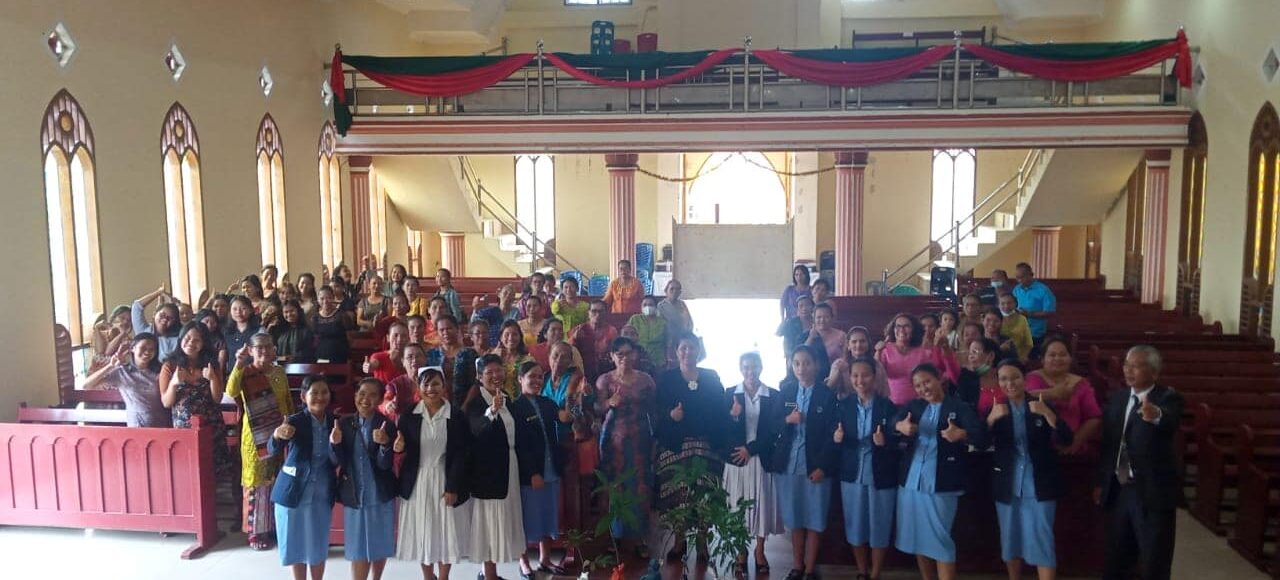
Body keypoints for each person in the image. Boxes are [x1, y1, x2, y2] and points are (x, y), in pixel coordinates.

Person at [1096, 346, 1183, 580]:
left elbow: (1169, 420)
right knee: (1116, 557)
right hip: (1120, 489)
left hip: (1152, 493)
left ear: (1154, 372)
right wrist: (1101, 482)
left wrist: (1155, 415)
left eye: (1136, 366)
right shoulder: (1118, 398)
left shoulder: (1168, 398)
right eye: (1127, 364)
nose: (1128, 370)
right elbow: (1109, 444)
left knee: (1154, 560)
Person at [894, 363, 986, 580]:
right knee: (918, 538)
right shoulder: (914, 406)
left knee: (940, 540)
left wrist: (962, 434)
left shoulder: (959, 407)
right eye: (918, 385)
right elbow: (892, 422)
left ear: (939, 379)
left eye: (927, 381)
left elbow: (982, 437)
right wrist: (899, 427)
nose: (923, 388)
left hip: (942, 483)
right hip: (911, 483)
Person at [989, 359, 1072, 580]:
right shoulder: (997, 408)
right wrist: (990, 419)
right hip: (1007, 484)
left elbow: (1067, 439)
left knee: (1043, 540)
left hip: (1040, 484)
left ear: (1025, 379)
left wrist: (1048, 415)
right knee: (1010, 539)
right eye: (1004, 379)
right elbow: (979, 441)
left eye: (1015, 377)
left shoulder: (1041, 404)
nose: (1010, 383)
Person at [654, 333, 730, 562]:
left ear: (699, 350)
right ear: (676, 352)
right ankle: (679, 541)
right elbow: (656, 410)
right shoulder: (666, 378)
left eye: (692, 348)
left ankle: (702, 542)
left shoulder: (711, 376)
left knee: (705, 494)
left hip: (707, 444)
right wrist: (671, 415)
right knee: (679, 494)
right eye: (683, 348)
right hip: (676, 445)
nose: (688, 352)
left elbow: (721, 407)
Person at [394, 367, 473, 580]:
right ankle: (428, 576)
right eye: (426, 384)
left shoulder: (456, 415)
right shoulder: (409, 415)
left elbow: (461, 454)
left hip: (444, 479)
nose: (431, 388)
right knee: (423, 532)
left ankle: (444, 576)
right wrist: (399, 447)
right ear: (418, 388)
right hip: (417, 482)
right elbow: (401, 446)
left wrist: (453, 487)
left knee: (445, 531)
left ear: (444, 386)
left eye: (436, 383)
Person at [768, 345, 839, 580]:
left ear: (816, 365)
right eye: (797, 363)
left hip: (815, 467)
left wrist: (823, 467)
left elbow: (833, 436)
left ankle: (809, 570)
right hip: (788, 467)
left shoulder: (827, 395)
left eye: (806, 363)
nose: (801, 368)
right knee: (795, 519)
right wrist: (788, 419)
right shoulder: (786, 391)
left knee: (815, 520)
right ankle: (797, 566)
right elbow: (773, 424)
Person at [226, 334, 295, 550]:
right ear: (251, 351)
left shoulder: (279, 372)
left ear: (274, 349)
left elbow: (287, 400)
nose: (264, 351)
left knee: (276, 479)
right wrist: (238, 364)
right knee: (256, 482)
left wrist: (291, 424)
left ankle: (273, 526)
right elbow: (231, 391)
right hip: (255, 436)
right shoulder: (245, 372)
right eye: (259, 348)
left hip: (279, 432)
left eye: (268, 347)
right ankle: (256, 532)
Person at [834, 357, 899, 580]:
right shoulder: (843, 405)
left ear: (874, 376)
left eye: (865, 375)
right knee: (855, 525)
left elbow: (899, 442)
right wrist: (837, 438)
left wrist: (885, 442)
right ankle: (862, 571)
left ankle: (875, 573)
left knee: (880, 526)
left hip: (880, 475)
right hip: (851, 474)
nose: (860, 380)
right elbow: (834, 438)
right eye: (855, 375)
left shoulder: (888, 406)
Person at [593, 336, 657, 559]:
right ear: (612, 356)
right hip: (613, 441)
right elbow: (596, 408)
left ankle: (639, 538)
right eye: (619, 354)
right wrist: (608, 403)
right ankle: (615, 538)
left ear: (635, 354)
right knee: (615, 486)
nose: (624, 358)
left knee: (640, 486)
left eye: (628, 353)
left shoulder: (646, 380)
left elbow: (654, 411)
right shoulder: (604, 380)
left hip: (640, 440)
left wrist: (656, 440)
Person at [466, 354, 528, 580]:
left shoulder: (507, 398)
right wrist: (491, 411)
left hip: (509, 466)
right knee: (489, 523)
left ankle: (490, 572)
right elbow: (476, 431)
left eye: (498, 370)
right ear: (479, 376)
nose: (495, 376)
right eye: (489, 372)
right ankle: (488, 573)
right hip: (488, 472)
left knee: (504, 518)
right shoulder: (476, 402)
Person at [270, 375, 338, 580]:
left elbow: (339, 457)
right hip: (293, 491)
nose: (320, 397)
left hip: (321, 493)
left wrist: (337, 444)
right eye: (314, 393)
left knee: (318, 543)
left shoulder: (336, 422)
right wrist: (277, 435)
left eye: (324, 392)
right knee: (295, 544)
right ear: (303, 397)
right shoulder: (294, 421)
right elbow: (272, 449)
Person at [723, 352, 783, 576]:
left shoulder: (773, 395)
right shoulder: (730, 393)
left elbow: (774, 430)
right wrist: (734, 416)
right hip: (737, 460)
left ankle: (759, 551)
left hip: (761, 458)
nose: (750, 371)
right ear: (740, 368)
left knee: (761, 505)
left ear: (761, 367)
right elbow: (722, 430)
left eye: (754, 366)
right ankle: (741, 551)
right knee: (738, 506)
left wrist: (752, 449)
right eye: (746, 367)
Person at [333, 378, 398, 580]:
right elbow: (338, 461)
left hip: (379, 493)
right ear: (355, 396)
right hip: (354, 493)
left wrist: (385, 444)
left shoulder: (386, 424)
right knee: (357, 546)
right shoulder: (344, 424)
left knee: (380, 543)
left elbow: (385, 465)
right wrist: (334, 444)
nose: (365, 399)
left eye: (372, 395)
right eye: (361, 394)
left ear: (380, 399)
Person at [511, 362, 570, 578]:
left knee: (548, 516)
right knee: (526, 519)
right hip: (530, 474)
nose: (536, 381)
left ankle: (545, 560)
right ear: (520, 379)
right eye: (531, 377)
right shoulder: (515, 407)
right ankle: (524, 562)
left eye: (539, 377)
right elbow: (519, 444)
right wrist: (532, 473)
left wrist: (577, 399)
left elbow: (565, 418)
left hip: (551, 470)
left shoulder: (547, 403)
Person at [160, 322, 232, 475]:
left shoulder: (211, 365)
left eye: (196, 340)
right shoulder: (170, 366)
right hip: (184, 427)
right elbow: (166, 402)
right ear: (181, 339)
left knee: (213, 472)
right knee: (188, 472)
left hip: (211, 425)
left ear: (204, 343)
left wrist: (213, 379)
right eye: (187, 338)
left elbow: (217, 398)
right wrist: (173, 383)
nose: (191, 343)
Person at [542, 341, 594, 533]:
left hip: (568, 439)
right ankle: (554, 531)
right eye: (556, 355)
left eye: (565, 356)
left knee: (571, 487)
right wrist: (557, 413)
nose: (559, 360)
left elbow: (572, 413)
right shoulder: (543, 378)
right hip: (546, 440)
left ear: (571, 360)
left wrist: (560, 411)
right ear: (549, 356)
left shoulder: (575, 377)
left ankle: (574, 534)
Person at [1026, 337, 1103, 455]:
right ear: (1043, 359)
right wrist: (1052, 393)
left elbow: (1093, 417)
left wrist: (1075, 442)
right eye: (1052, 355)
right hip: (1037, 449)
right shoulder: (1032, 378)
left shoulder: (1081, 383)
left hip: (1072, 449)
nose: (1057, 358)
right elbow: (1020, 400)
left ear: (1070, 359)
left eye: (1063, 354)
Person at [81, 332, 170, 427]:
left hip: (161, 426)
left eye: (151, 349)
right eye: (143, 348)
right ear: (133, 348)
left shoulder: (161, 372)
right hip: (136, 428)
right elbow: (86, 386)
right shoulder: (122, 372)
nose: (147, 352)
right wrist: (110, 366)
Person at [878, 313, 956, 406]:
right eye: (898, 326)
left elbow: (937, 375)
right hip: (891, 404)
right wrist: (878, 352)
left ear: (914, 329)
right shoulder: (885, 350)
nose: (901, 330)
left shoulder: (923, 352)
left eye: (906, 326)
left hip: (919, 405)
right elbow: (876, 375)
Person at [425, 315, 479, 406]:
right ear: (437, 332)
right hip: (438, 405)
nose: (445, 332)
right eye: (441, 330)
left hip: (466, 404)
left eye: (449, 328)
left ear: (457, 329)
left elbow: (476, 383)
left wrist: (465, 406)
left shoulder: (470, 354)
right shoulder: (431, 354)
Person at [827, 326, 890, 400]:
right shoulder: (839, 364)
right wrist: (837, 375)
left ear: (868, 344)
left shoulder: (877, 365)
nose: (858, 345)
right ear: (848, 345)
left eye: (862, 341)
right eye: (854, 342)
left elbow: (884, 392)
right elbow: (829, 389)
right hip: (845, 405)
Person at [1011, 263, 1057, 352]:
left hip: (1035, 333)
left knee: (1032, 357)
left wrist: (1029, 314)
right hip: (1018, 332)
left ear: (1031, 275)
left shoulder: (1043, 290)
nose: (1019, 280)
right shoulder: (1017, 289)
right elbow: (1012, 306)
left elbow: (1050, 312)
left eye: (1022, 277)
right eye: (1017, 278)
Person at [571, 299, 618, 382]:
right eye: (594, 311)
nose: (598, 314)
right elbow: (569, 351)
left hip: (605, 371)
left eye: (601, 311)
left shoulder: (612, 331)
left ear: (606, 313)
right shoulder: (580, 329)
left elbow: (615, 353)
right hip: (582, 371)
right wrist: (574, 339)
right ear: (588, 313)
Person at [954, 338, 1002, 416]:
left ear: (991, 356)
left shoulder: (1005, 375)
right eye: (969, 353)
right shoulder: (966, 379)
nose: (970, 357)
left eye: (974, 352)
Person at [381, 343, 427, 425]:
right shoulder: (395, 384)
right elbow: (385, 400)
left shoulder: (433, 381)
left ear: (425, 359)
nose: (414, 360)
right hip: (402, 427)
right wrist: (388, 405)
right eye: (410, 357)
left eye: (418, 356)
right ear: (403, 362)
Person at [131, 286, 181, 360]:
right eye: (162, 315)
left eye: (170, 318)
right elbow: (136, 307)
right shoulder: (143, 332)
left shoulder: (176, 339)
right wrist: (159, 292)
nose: (165, 319)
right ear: (154, 314)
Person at [492, 320, 534, 399]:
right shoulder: (493, 358)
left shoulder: (528, 360)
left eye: (514, 334)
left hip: (521, 402)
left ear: (520, 337)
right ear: (501, 338)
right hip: (497, 401)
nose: (510, 338)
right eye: (507, 334)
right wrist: (495, 358)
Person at [312, 286, 353, 363]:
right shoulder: (315, 317)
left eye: (328, 298)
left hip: (340, 355)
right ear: (318, 300)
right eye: (322, 298)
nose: (325, 301)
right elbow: (314, 339)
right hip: (321, 355)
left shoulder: (342, 315)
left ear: (333, 298)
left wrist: (349, 357)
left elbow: (349, 338)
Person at [223, 295, 261, 373]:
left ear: (250, 310)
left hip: (254, 374)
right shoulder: (227, 332)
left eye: (243, 308)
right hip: (232, 374)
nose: (238, 312)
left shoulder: (259, 331)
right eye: (234, 309)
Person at [629, 295, 668, 369]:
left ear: (656, 307)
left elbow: (667, 342)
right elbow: (626, 337)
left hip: (658, 360)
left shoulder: (662, 322)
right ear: (641, 307)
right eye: (644, 305)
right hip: (638, 359)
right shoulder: (635, 319)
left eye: (650, 305)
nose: (647, 307)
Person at [777, 296, 816, 369]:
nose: (804, 308)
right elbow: (784, 340)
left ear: (813, 308)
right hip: (793, 360)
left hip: (813, 359)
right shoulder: (790, 323)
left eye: (807, 305)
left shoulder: (817, 322)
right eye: (801, 306)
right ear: (797, 309)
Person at [805, 303, 845, 369]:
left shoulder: (841, 335)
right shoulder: (806, 335)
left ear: (832, 318)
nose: (822, 320)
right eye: (819, 317)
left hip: (836, 371)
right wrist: (810, 338)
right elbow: (802, 355)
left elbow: (845, 358)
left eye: (826, 317)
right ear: (814, 319)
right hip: (812, 373)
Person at [997, 293, 1034, 361]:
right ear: (998, 305)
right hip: (998, 355)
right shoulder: (995, 318)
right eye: (1002, 303)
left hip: (1018, 357)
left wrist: (1023, 356)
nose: (1006, 306)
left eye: (1009, 303)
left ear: (1015, 304)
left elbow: (1029, 343)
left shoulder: (1022, 319)